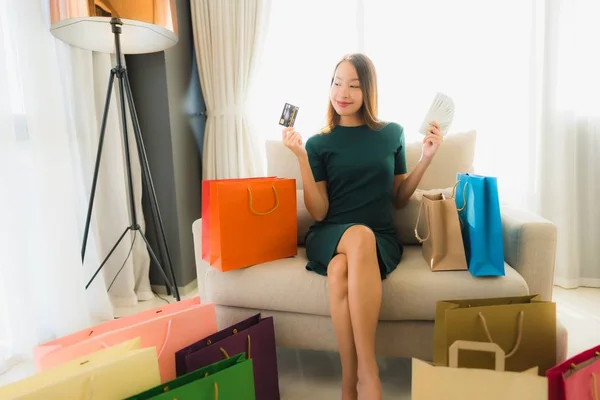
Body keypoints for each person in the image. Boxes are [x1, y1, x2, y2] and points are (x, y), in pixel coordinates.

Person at [281, 53, 443, 400]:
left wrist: (426, 159)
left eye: (354, 85)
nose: (343, 92)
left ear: (368, 91)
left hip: (378, 238)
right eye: (337, 82)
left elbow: (399, 197)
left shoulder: (392, 134)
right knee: (355, 239)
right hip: (331, 233)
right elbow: (320, 213)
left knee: (341, 268)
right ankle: (370, 375)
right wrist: (300, 159)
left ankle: (349, 380)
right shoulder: (318, 143)